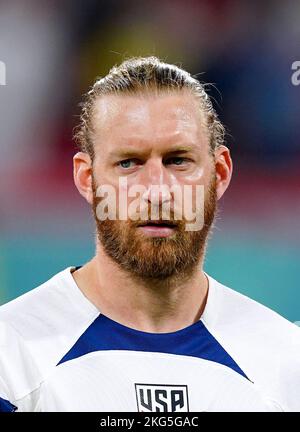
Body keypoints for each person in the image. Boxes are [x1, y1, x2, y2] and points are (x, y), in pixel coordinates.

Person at [0, 57, 299, 412]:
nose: (156, 190)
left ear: (219, 173)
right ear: (86, 177)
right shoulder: (11, 356)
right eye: (128, 163)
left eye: (177, 160)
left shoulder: (286, 364)